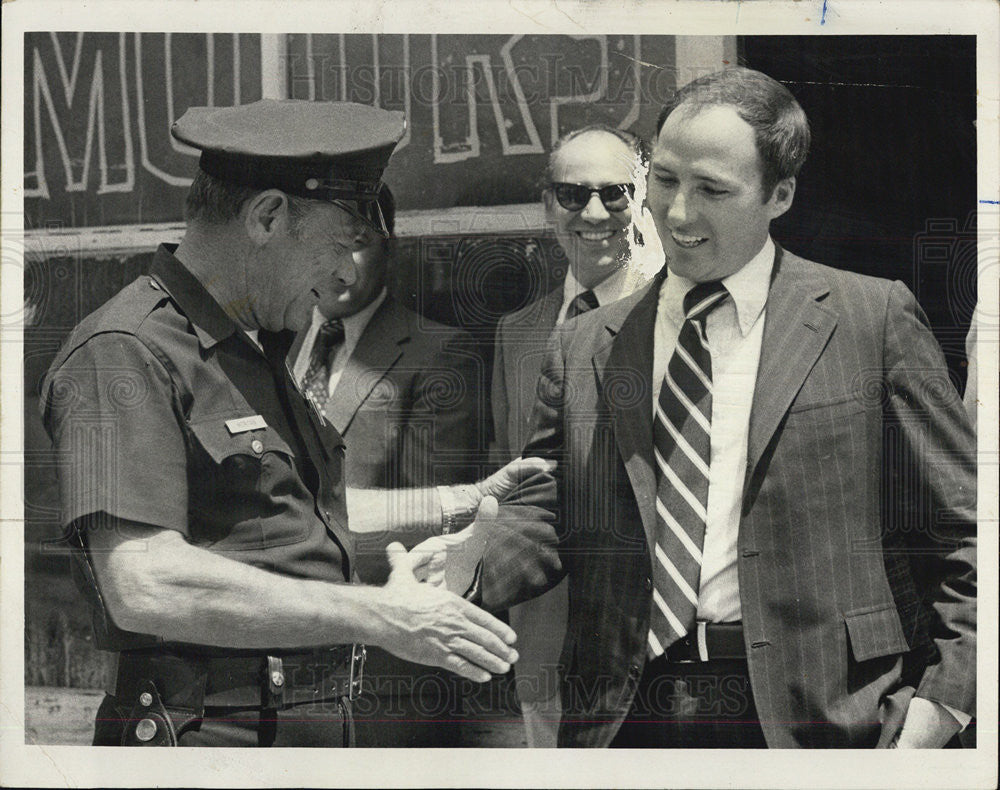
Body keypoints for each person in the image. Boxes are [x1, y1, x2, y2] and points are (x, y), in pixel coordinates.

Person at [439, 67, 977, 748]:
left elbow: (966, 530)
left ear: (779, 195)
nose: (678, 213)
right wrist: (472, 568)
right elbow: (552, 510)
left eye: (712, 190)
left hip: (823, 717)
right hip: (625, 718)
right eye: (664, 180)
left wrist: (945, 703)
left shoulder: (869, 320)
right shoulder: (583, 344)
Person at [39, 99, 517, 748]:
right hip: (209, 739)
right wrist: (380, 614)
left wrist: (459, 504)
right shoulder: (124, 349)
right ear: (267, 216)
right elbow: (144, 582)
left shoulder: (252, 346)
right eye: (340, 245)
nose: (347, 273)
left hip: (300, 731)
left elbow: (293, 521)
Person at [289, 182, 521, 746]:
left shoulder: (440, 352)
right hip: (276, 661)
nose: (339, 266)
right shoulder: (272, 344)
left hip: (384, 667)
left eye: (359, 243)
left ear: (390, 247)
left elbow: (426, 528)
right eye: (324, 243)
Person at [490, 124, 650, 746]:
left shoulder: (676, 316)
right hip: (544, 646)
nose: (593, 213)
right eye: (572, 195)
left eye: (615, 194)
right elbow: (524, 489)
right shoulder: (520, 332)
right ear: (545, 205)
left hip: (640, 654)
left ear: (642, 200)